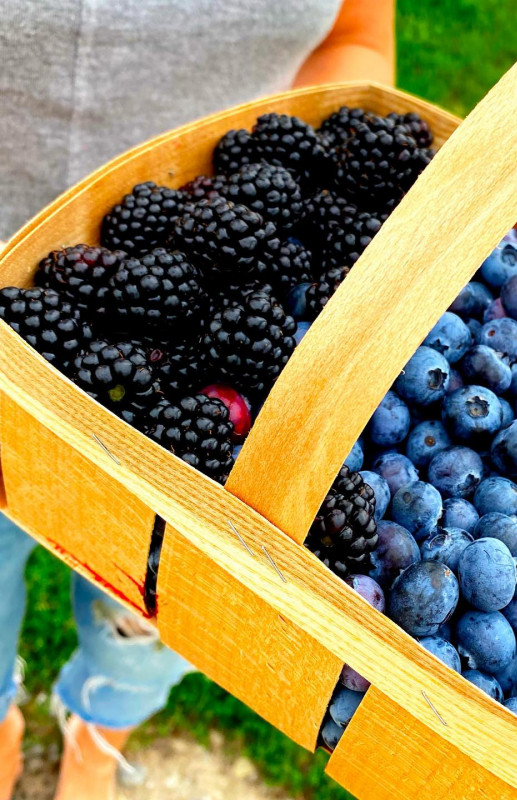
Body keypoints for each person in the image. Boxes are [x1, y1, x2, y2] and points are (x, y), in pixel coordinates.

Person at [0, 1, 395, 798]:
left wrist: (292, 201)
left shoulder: (238, 297)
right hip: (70, 312)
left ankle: (98, 734)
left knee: (150, 610)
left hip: (213, 291)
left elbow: (356, 38)